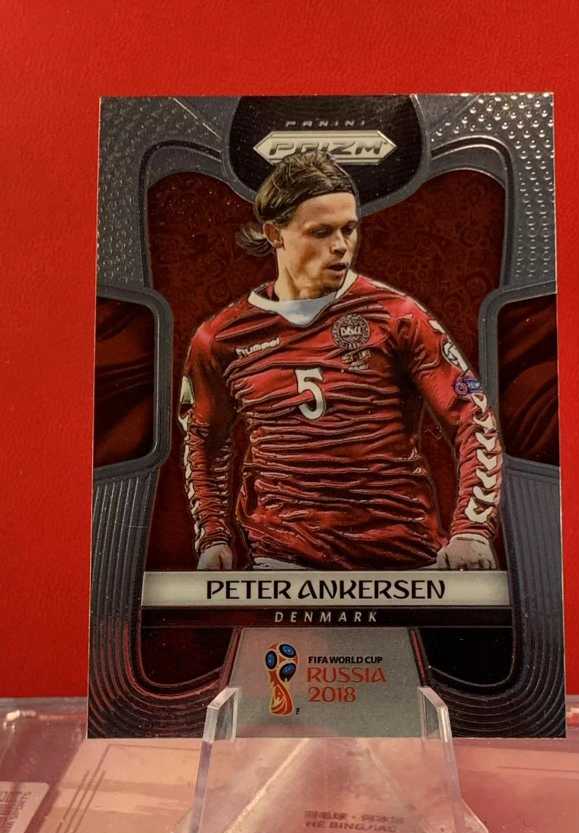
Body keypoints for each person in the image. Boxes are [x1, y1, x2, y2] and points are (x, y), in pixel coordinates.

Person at [179, 152, 502, 572]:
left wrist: (471, 531)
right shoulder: (220, 337)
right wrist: (213, 535)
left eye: (349, 229)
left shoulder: (398, 316)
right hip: (285, 563)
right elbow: (204, 442)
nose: (340, 246)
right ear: (274, 234)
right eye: (321, 232)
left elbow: (473, 418)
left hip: (404, 561)